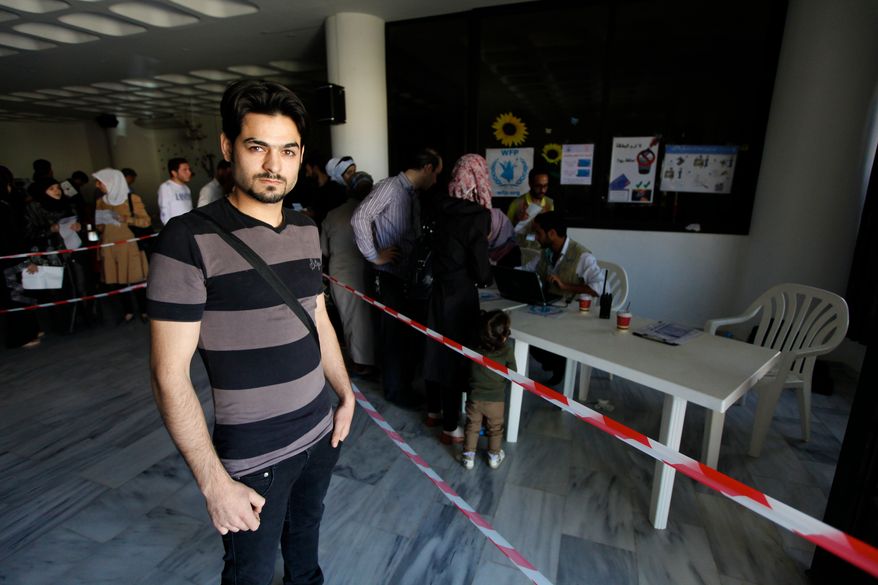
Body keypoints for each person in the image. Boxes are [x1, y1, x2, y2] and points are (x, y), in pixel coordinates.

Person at [147, 79, 354, 585]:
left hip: (320, 433)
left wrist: (345, 394)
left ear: (301, 155)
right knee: (250, 574)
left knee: (305, 544)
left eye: (287, 151)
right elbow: (168, 375)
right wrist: (214, 483)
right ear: (227, 147)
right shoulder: (187, 240)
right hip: (254, 456)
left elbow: (319, 318)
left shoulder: (306, 227)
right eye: (257, 146)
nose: (272, 165)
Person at [351, 147, 443, 408]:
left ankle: (402, 384)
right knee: (392, 335)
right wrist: (374, 255)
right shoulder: (390, 187)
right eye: (436, 173)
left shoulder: (410, 194)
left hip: (403, 275)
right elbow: (359, 218)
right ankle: (395, 391)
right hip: (387, 274)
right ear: (427, 168)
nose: (436, 179)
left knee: (402, 334)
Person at [423, 154, 493, 442]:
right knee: (454, 356)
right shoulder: (477, 215)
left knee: (434, 349)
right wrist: (485, 278)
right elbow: (481, 268)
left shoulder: (435, 204)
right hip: (461, 295)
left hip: (434, 289)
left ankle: (434, 412)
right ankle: (452, 427)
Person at [524, 211, 604, 383]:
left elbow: (600, 288)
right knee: (526, 334)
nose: (535, 237)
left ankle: (561, 363)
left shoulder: (582, 256)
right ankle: (558, 362)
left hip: (570, 313)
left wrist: (566, 286)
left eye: (538, 233)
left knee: (537, 341)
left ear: (552, 233)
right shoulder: (545, 253)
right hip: (548, 309)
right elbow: (527, 270)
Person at [320, 171, 376, 376]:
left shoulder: (333, 215)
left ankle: (361, 363)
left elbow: (323, 250)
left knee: (352, 320)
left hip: (341, 275)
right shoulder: (373, 212)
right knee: (367, 319)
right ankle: (368, 362)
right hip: (369, 272)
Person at [22, 175, 83, 333]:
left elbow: (75, 220)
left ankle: (80, 319)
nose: (57, 191)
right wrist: (49, 230)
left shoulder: (66, 204)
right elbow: (27, 233)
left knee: (76, 285)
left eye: (58, 187)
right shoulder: (33, 208)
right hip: (48, 257)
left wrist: (77, 226)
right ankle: (62, 325)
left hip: (69, 252)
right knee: (55, 292)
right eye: (51, 189)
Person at [93, 168, 150, 323]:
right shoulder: (100, 202)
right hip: (110, 246)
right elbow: (99, 226)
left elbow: (146, 222)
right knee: (118, 281)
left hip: (129, 245)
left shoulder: (132, 199)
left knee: (138, 280)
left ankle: (144, 310)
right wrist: (101, 224)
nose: (98, 185)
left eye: (101, 182)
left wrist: (127, 219)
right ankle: (128, 311)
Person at [461, 310, 516, 470]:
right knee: (495, 428)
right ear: (504, 336)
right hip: (496, 399)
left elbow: (467, 369)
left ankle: (468, 457)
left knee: (472, 425)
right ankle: (493, 456)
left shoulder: (473, 348)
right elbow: (513, 373)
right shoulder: (507, 351)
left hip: (474, 398)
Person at [0, 165, 40, 348]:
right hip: (10, 261)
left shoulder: (6, 205)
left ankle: (29, 331)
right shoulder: (4, 208)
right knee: (16, 296)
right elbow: (11, 238)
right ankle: (22, 336)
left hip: (9, 260)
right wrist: (25, 260)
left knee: (17, 295)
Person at [157, 157, 193, 225]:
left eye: (189, 169)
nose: (189, 172)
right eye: (185, 170)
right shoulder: (166, 187)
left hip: (188, 228)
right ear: (174, 173)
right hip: (176, 230)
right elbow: (164, 213)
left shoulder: (186, 188)